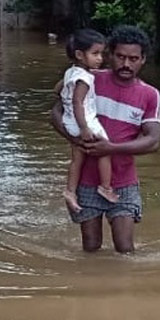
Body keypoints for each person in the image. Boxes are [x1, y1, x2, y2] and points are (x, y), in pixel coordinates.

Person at [51, 25, 160, 253]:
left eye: (133, 59)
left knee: (125, 248)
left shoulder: (150, 95)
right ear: (109, 55)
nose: (126, 64)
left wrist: (110, 148)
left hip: (124, 182)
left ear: (143, 60)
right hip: (86, 181)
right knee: (90, 247)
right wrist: (75, 140)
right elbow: (55, 113)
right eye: (120, 57)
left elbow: (153, 141)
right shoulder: (88, 79)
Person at [57, 29, 117, 212]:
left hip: (69, 121)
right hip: (83, 121)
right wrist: (84, 127)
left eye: (101, 54)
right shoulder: (84, 78)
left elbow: (57, 90)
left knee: (77, 159)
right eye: (95, 54)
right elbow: (77, 102)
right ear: (79, 55)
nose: (100, 58)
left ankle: (70, 192)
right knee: (105, 149)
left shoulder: (70, 73)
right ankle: (105, 187)